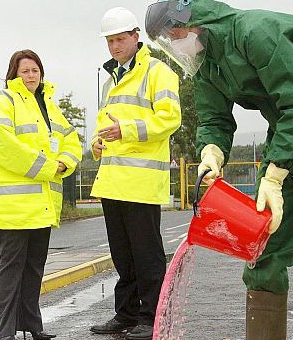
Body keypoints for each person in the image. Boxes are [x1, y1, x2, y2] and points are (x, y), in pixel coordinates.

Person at [145, 0, 293, 339]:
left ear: (192, 18)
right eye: (166, 39)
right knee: (264, 254)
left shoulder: (256, 32)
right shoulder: (208, 64)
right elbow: (213, 119)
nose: (174, 43)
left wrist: (275, 173)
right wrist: (211, 151)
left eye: (172, 33)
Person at [89, 7, 181, 340]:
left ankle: (150, 316)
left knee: (147, 255)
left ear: (135, 37)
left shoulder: (158, 72)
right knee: (123, 256)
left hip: (141, 183)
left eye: (119, 40)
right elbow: (104, 126)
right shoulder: (111, 81)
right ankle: (125, 314)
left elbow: (170, 119)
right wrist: (96, 144)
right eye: (110, 41)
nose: (114, 47)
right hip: (113, 183)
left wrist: (125, 130)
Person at [0, 49, 82, 340]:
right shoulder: (2, 101)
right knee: (10, 272)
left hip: (42, 205)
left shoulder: (49, 106)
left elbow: (71, 139)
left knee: (34, 269)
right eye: (25, 71)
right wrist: (49, 167)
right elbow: (3, 145)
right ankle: (6, 332)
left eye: (35, 70)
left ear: (42, 73)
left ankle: (33, 326)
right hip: (14, 207)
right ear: (14, 73)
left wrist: (66, 162)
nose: (31, 76)